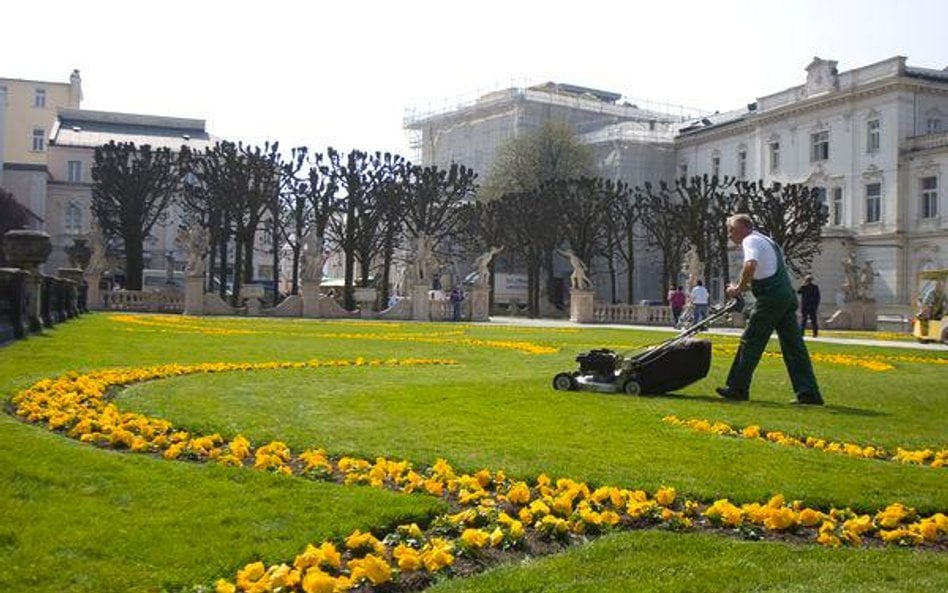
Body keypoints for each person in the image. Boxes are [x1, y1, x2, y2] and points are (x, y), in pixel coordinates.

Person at [717, 214, 823, 405]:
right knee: (793, 346)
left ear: (743, 227)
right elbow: (765, 272)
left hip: (771, 300)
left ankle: (737, 387)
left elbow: (751, 265)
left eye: (731, 230)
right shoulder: (767, 240)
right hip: (785, 297)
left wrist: (737, 289)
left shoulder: (750, 240)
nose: (729, 235)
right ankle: (809, 392)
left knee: (751, 341)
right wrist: (746, 285)